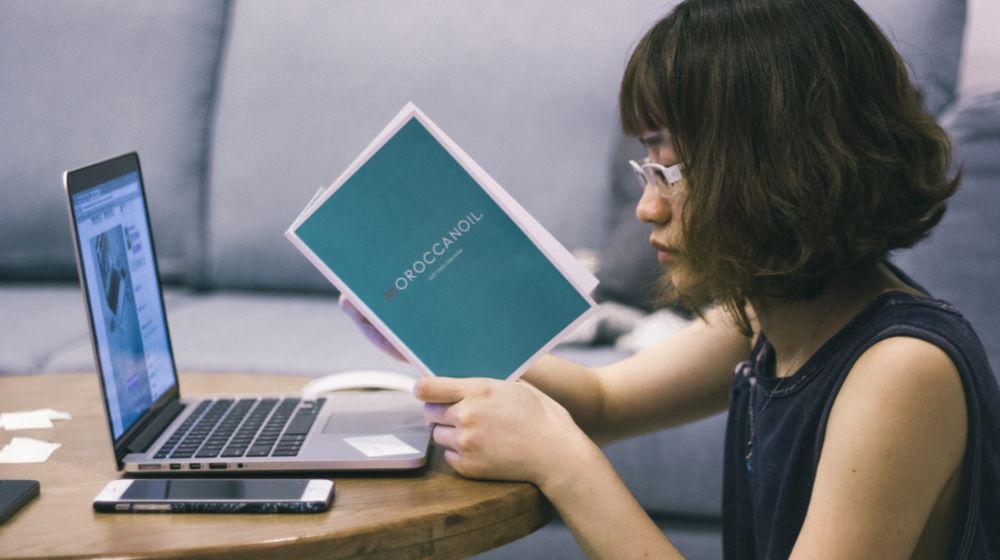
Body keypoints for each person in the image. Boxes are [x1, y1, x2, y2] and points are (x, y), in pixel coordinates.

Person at [341, 0, 1000, 557]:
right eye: (647, 168)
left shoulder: (901, 370)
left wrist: (561, 461)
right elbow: (602, 401)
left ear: (784, 173)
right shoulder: (769, 317)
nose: (647, 207)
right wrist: (438, 323)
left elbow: (579, 433)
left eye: (671, 172)